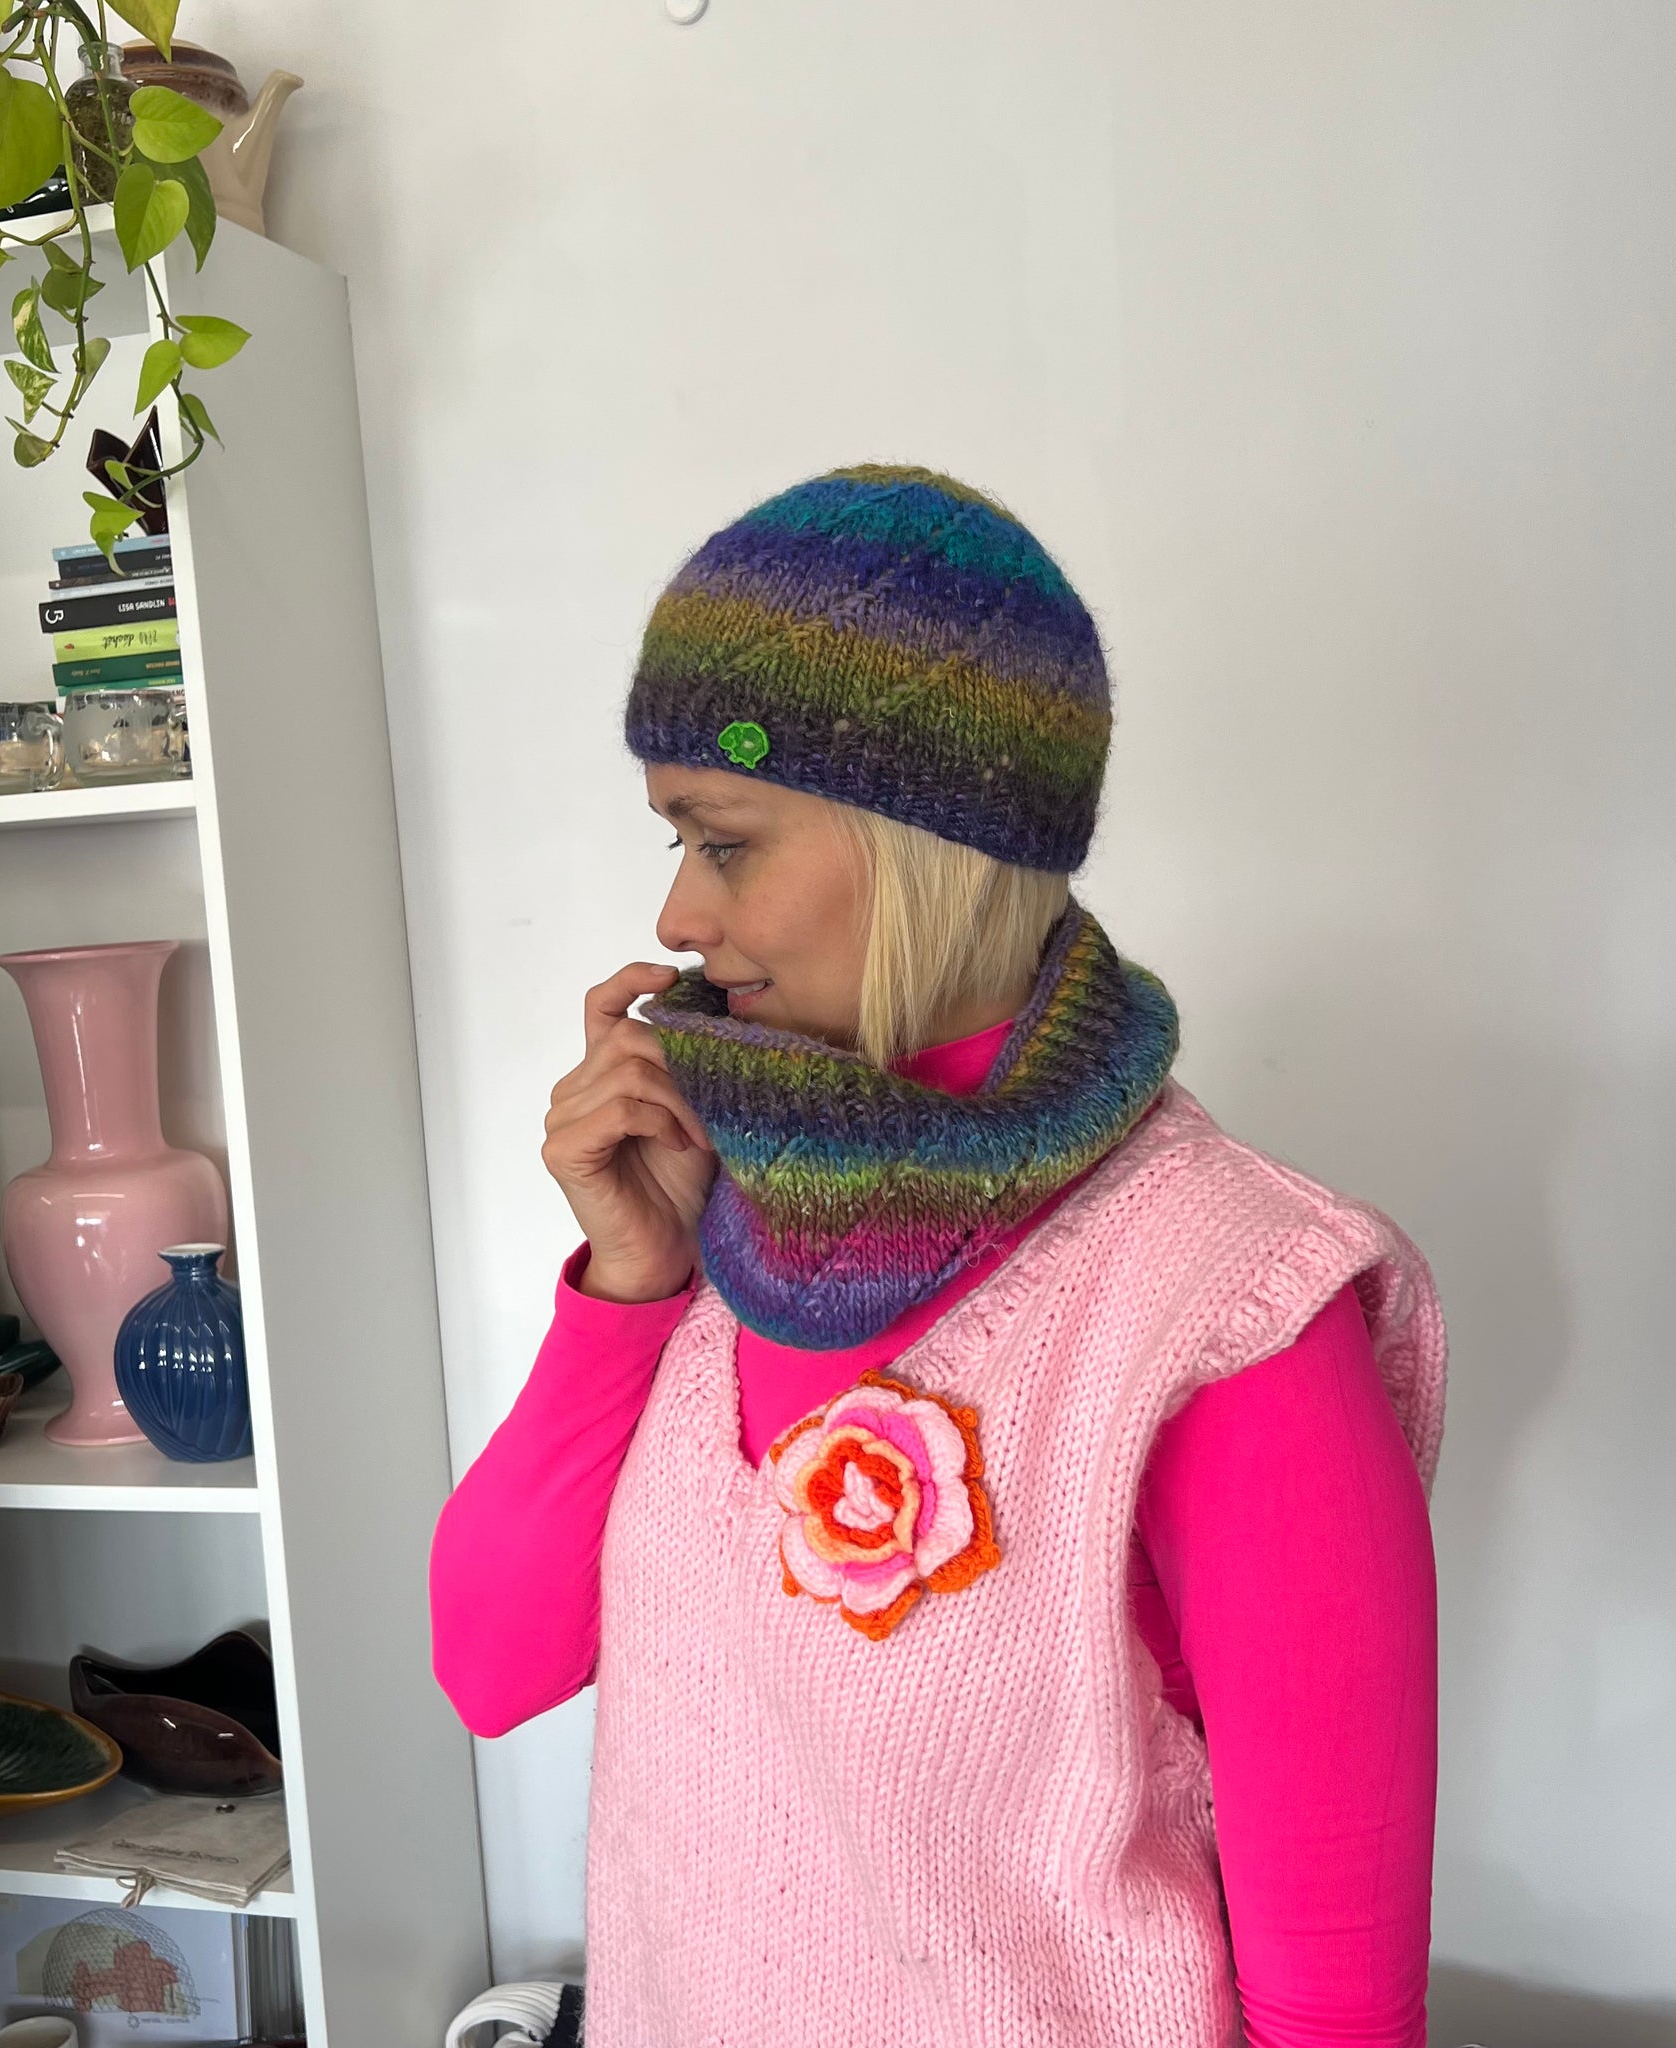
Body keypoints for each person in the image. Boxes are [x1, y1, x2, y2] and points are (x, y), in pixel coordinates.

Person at [430, 465, 1446, 2048]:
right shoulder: (720, 1203)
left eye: (723, 841)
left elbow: (1340, 2009)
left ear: (924, 840)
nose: (676, 913)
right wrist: (627, 1283)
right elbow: (492, 1671)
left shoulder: (1228, 1304)